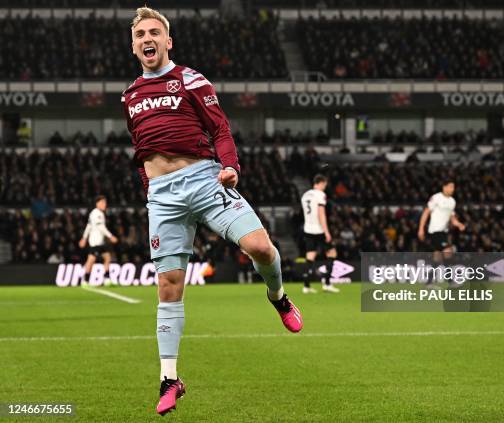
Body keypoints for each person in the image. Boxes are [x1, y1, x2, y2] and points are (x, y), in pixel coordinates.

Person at [121, 7, 302, 416]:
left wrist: (230, 166)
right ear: (134, 46)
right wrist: (152, 192)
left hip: (205, 180)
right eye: (139, 35)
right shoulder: (130, 95)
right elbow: (143, 149)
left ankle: (278, 296)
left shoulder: (191, 79)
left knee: (260, 247)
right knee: (168, 286)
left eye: (154, 32)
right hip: (163, 197)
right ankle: (170, 379)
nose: (147, 39)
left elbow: (220, 128)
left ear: (168, 42)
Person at [418, 181, 465, 287]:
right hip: (434, 231)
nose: (452, 189)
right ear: (444, 187)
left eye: (453, 187)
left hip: (443, 232)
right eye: (450, 186)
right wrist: (421, 229)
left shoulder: (452, 201)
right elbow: (426, 212)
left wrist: (458, 224)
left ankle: (429, 282)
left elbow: (452, 218)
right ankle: (451, 281)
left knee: (437, 258)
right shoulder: (436, 198)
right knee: (448, 251)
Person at [300, 174, 339, 294]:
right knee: (332, 253)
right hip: (319, 229)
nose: (325, 187)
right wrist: (326, 232)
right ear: (321, 183)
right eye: (325, 185)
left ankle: (306, 286)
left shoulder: (305, 195)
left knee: (310, 256)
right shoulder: (321, 195)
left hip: (307, 229)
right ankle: (327, 284)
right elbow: (321, 214)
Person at [78, 195, 118, 286]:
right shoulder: (97, 213)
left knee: (107, 257)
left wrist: (84, 238)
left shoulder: (94, 213)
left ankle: (106, 280)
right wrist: (111, 236)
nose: (105, 204)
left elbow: (88, 226)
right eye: (103, 202)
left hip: (99, 242)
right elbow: (101, 227)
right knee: (91, 260)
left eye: (105, 202)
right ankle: (85, 280)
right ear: (98, 203)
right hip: (95, 242)